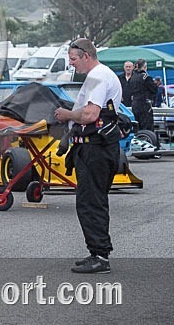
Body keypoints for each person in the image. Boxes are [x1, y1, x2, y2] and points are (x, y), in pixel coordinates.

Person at [54, 38, 122, 274]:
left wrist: (66, 114)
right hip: (93, 147)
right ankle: (96, 251)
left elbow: (91, 114)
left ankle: (101, 256)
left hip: (97, 147)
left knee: (92, 202)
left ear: (86, 55)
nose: (72, 65)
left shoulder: (98, 77)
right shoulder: (99, 77)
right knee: (90, 201)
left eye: (73, 59)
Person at [130, 59, 158, 142]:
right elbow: (154, 90)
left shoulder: (133, 77)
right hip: (145, 104)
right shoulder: (146, 77)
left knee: (138, 126)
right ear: (145, 67)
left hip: (135, 104)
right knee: (147, 127)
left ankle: (139, 143)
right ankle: (149, 144)